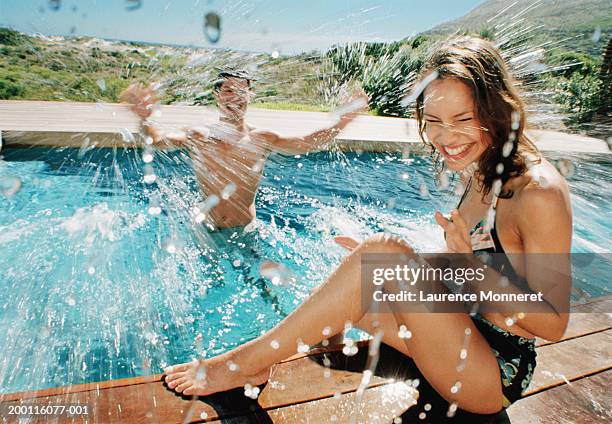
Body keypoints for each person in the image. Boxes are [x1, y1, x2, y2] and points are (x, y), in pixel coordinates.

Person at [163, 37, 572, 415]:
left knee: (382, 255)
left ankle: (241, 365)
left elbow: (552, 324)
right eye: (433, 121)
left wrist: (464, 265)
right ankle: (258, 363)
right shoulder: (483, 169)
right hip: (464, 335)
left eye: (462, 118)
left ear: (495, 109)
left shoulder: (537, 193)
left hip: (493, 374)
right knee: (347, 286)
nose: (446, 137)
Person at [120, 70, 368, 229]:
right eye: (228, 90)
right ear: (217, 95)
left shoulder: (262, 138)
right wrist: (145, 120)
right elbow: (158, 140)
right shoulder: (198, 135)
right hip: (206, 230)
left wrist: (345, 120)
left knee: (265, 294)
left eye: (241, 90)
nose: (235, 96)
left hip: (246, 231)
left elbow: (310, 142)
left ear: (250, 95)